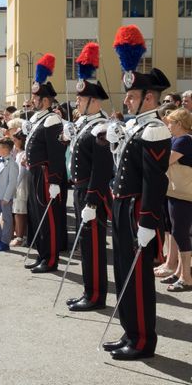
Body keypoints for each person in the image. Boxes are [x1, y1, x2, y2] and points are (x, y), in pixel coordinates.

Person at [103, 25, 171, 360]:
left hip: (138, 211)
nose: (126, 100)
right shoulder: (136, 127)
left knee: (140, 278)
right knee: (122, 272)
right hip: (121, 205)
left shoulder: (155, 129)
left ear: (149, 98)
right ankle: (129, 331)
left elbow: (154, 181)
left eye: (132, 96)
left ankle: (143, 340)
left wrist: (148, 222)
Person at [65, 42, 114, 312]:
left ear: (94, 101)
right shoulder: (86, 125)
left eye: (81, 99)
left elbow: (102, 168)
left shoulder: (101, 128)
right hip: (81, 189)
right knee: (86, 244)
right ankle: (88, 291)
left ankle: (95, 296)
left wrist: (93, 202)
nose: (77, 102)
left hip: (91, 192)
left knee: (94, 247)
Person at [24, 53, 68, 274]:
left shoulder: (52, 119)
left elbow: (56, 153)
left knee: (48, 217)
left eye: (36, 98)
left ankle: (51, 259)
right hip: (34, 172)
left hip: (45, 174)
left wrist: (55, 180)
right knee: (36, 214)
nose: (33, 101)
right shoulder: (38, 118)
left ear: (46, 100)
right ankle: (42, 254)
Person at [162, 108, 192, 292]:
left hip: (183, 195)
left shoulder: (183, 141)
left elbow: (163, 161)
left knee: (181, 234)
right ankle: (180, 271)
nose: (168, 126)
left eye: (171, 123)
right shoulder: (178, 140)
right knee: (177, 232)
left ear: (179, 124)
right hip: (176, 193)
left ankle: (186, 277)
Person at [10, 128, 28, 247]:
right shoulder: (19, 154)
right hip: (18, 185)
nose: (14, 143)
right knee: (17, 212)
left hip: (21, 186)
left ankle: (20, 237)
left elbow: (21, 173)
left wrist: (13, 186)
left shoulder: (23, 154)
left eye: (15, 140)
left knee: (19, 212)